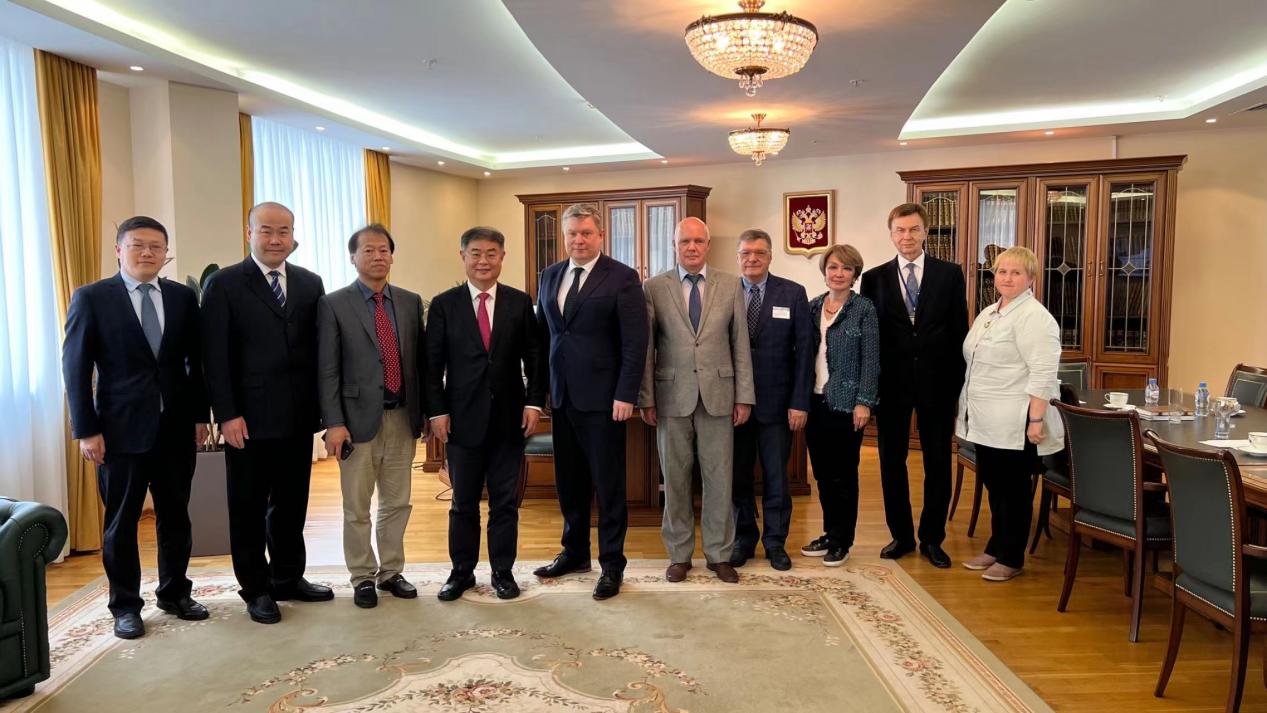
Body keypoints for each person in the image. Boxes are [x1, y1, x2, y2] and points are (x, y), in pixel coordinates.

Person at [62, 216, 210, 639]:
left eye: (156, 246)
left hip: (176, 429)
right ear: (119, 250)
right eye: (137, 245)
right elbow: (75, 368)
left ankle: (175, 593)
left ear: (165, 253)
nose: (147, 252)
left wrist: (200, 416)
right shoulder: (92, 298)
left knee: (175, 517)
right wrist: (86, 429)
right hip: (118, 432)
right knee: (122, 522)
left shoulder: (182, 297)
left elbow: (195, 363)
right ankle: (125, 605)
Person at [202, 201, 332, 624]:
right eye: (266, 231)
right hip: (247, 420)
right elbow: (214, 356)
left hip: (297, 416)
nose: (276, 239)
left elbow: (318, 350)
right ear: (249, 233)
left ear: (293, 236)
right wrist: (227, 414)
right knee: (248, 509)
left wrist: (323, 412)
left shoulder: (310, 282)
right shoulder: (224, 284)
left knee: (292, 504)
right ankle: (256, 588)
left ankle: (288, 577)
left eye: (284, 231)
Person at [533, 204, 647, 600]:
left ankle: (612, 563)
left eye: (585, 233)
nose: (578, 240)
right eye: (572, 234)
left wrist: (626, 394)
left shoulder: (622, 277)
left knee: (608, 484)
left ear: (600, 235)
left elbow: (635, 342)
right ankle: (575, 552)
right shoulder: (550, 275)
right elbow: (545, 337)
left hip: (604, 400)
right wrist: (540, 392)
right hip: (561, 397)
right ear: (563, 237)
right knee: (570, 482)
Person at [426, 227, 546, 602]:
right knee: (463, 503)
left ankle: (502, 572)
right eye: (475, 253)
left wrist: (533, 403)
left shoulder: (518, 302)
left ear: (502, 257)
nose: (483, 261)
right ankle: (461, 572)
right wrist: (437, 411)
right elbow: (431, 365)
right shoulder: (444, 305)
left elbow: (535, 358)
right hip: (460, 420)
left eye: (491, 253)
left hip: (510, 419)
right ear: (463, 257)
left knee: (504, 503)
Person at [640, 217, 755, 584]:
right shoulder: (654, 287)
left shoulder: (730, 284)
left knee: (719, 479)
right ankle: (679, 555)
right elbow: (647, 348)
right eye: (684, 241)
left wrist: (744, 396)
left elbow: (740, 345)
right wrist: (646, 397)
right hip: (671, 397)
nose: (691, 247)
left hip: (720, 396)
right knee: (675, 480)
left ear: (708, 245)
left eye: (697, 241)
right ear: (674, 246)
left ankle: (720, 554)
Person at [317, 224, 426, 609]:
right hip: (354, 421)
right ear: (353, 257)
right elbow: (328, 369)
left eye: (384, 250)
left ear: (392, 256)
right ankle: (362, 575)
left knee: (397, 502)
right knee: (356, 507)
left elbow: (420, 363)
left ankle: (391, 572)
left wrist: (426, 413)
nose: (378, 256)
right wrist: (334, 423)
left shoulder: (410, 302)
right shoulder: (334, 304)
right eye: (368, 250)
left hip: (402, 417)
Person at [860, 203, 968, 568]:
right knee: (892, 461)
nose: (907, 236)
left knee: (938, 462)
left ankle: (932, 539)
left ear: (926, 232)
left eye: (913, 229)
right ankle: (902, 536)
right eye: (900, 230)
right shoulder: (873, 278)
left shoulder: (949, 274)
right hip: (891, 384)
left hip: (938, 383)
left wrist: (956, 386)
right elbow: (871, 338)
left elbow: (959, 331)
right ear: (891, 234)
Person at [955, 246, 1063, 582]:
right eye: (1002, 271)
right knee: (994, 485)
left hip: (1015, 420)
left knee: (1013, 490)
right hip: (985, 419)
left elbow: (1043, 373)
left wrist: (1035, 420)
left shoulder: (1035, 317)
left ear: (1031, 278)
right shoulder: (991, 312)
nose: (1007, 278)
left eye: (1016, 273)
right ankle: (996, 546)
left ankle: (1011, 557)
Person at [729, 229, 812, 571]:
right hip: (734, 405)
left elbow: (804, 352)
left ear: (770, 256)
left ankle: (775, 543)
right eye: (746, 253)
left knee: (777, 479)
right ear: (738, 257)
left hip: (778, 405)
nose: (752, 258)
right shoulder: (724, 292)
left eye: (759, 252)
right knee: (738, 478)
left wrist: (800, 401)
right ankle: (744, 540)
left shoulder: (792, 293)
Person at [801, 245, 880, 566]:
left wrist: (864, 402)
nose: (838, 273)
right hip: (814, 401)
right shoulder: (812, 306)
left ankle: (842, 541)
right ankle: (829, 532)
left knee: (843, 475)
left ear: (855, 274)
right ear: (824, 271)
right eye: (833, 267)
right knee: (822, 474)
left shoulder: (864, 309)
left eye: (846, 268)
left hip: (847, 404)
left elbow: (871, 360)